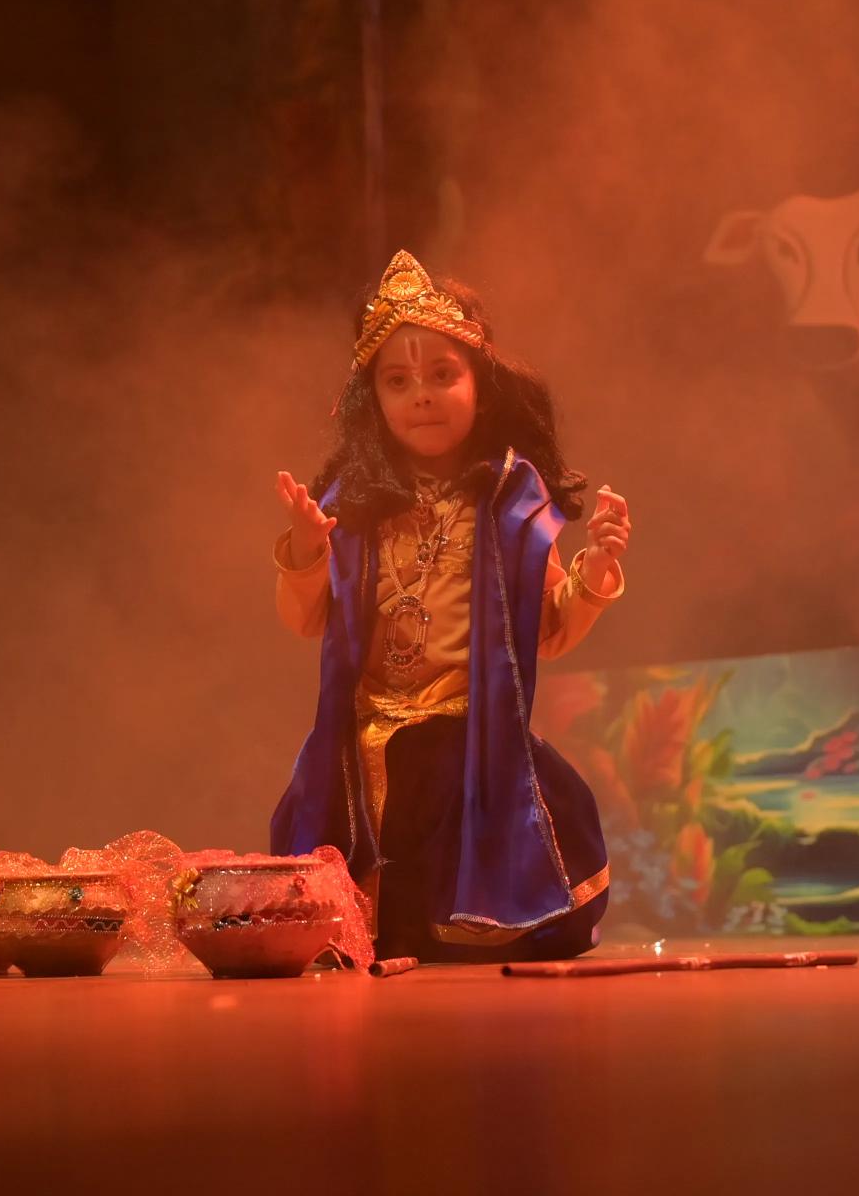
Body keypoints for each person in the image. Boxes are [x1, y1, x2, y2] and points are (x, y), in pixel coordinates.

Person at [270, 250, 633, 963]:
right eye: (398, 382)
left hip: (471, 739)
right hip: (370, 742)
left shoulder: (510, 504)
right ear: (373, 401)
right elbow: (305, 620)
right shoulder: (352, 506)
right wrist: (308, 550)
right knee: (366, 903)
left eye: (443, 376)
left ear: (481, 389)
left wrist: (595, 569)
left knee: (525, 893)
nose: (422, 397)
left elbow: (548, 632)